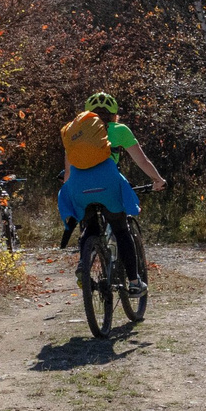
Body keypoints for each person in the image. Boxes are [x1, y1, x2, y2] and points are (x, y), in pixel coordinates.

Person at [57, 91, 164, 291]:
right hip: (108, 184)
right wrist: (157, 179)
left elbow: (69, 173)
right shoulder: (120, 130)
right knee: (121, 229)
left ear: (86, 114)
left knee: (90, 228)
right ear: (115, 115)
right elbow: (142, 161)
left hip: (79, 187)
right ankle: (134, 282)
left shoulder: (75, 133)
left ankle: (84, 263)